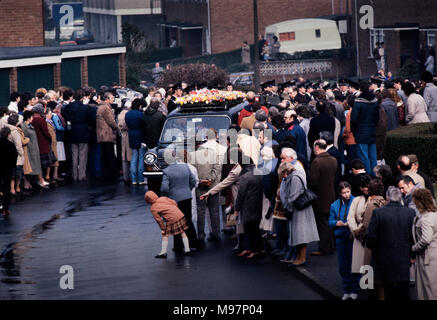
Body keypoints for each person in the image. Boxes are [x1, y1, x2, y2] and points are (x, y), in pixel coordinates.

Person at [366, 186, 416, 300]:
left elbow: (371, 236)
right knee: (404, 289)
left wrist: (375, 251)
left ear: (387, 197)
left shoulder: (378, 212)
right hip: (404, 257)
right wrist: (412, 255)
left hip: (384, 257)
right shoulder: (410, 212)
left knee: (389, 290)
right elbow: (413, 236)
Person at [280, 159, 319, 266]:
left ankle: (301, 259)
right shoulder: (295, 176)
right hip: (300, 210)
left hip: (299, 211)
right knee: (299, 235)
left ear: (286, 172)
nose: (282, 177)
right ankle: (299, 258)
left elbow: (293, 196)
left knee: (301, 235)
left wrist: (287, 208)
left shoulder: (295, 178)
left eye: (282, 174)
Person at [161, 148, 200, 252]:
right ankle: (194, 243)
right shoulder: (185, 167)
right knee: (188, 220)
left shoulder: (166, 171)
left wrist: (166, 196)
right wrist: (188, 190)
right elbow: (192, 181)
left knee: (176, 221)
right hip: (187, 196)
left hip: (174, 199)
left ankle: (178, 245)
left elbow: (165, 188)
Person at [329, 182, 360, 300]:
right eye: (344, 193)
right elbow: (330, 221)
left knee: (354, 264)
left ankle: (355, 289)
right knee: (343, 265)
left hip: (353, 237)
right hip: (341, 237)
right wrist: (337, 223)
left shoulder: (356, 201)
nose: (347, 195)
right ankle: (347, 289)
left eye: (348, 192)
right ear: (340, 193)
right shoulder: (334, 205)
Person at [309, 139, 337, 256]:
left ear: (316, 147)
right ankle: (330, 246)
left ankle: (324, 248)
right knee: (329, 222)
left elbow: (313, 182)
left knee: (322, 224)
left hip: (320, 197)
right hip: (331, 195)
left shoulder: (317, 162)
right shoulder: (333, 160)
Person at [234, 151, 264, 259]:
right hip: (258, 202)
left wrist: (237, 207)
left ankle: (253, 250)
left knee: (249, 228)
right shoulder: (259, 172)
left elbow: (240, 194)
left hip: (248, 205)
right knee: (255, 227)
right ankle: (259, 248)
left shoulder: (245, 176)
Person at [145, 191, 191, 258]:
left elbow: (159, 220)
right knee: (182, 232)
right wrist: (175, 210)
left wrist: (163, 228)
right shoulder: (163, 198)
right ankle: (187, 250)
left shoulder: (153, 208)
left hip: (172, 219)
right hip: (179, 215)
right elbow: (174, 202)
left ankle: (163, 252)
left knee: (164, 234)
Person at [411, 188, 437, 300]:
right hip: (431, 256)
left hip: (427, 257)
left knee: (428, 289)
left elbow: (426, 239)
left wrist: (414, 248)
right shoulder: (433, 215)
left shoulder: (426, 218)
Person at [61, 88, 91, 182]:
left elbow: (64, 114)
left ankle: (75, 175)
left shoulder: (69, 107)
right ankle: (81, 175)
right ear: (82, 97)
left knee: (74, 155)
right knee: (83, 155)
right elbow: (90, 120)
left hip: (72, 131)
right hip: (83, 132)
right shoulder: (86, 108)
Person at [350, 82, 379, 175]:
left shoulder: (358, 102)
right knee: (373, 157)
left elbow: (354, 119)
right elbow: (377, 118)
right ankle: (375, 176)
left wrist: (354, 131)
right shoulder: (375, 101)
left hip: (361, 132)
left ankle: (368, 177)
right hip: (372, 131)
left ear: (360, 89)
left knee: (364, 157)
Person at [347, 173, 371, 274]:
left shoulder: (375, 199)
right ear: (361, 188)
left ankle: (369, 287)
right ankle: (362, 287)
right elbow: (350, 217)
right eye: (365, 186)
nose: (367, 188)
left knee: (369, 264)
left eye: (369, 185)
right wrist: (355, 230)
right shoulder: (357, 200)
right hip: (359, 234)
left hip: (371, 234)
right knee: (360, 264)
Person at [96, 92, 120, 182]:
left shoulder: (100, 107)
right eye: (112, 98)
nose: (113, 99)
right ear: (107, 99)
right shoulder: (106, 107)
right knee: (110, 155)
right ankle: (111, 175)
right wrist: (117, 128)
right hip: (107, 135)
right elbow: (111, 121)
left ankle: (106, 174)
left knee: (105, 156)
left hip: (101, 135)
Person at [125, 98, 146, 185]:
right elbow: (144, 124)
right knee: (141, 158)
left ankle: (134, 179)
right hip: (140, 135)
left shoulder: (128, 114)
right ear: (139, 105)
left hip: (131, 135)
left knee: (134, 158)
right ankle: (141, 179)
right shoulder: (141, 114)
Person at [0, 127, 18, 216]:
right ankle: (5, 209)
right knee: (6, 188)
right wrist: (13, 166)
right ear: (8, 134)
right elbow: (14, 157)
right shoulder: (10, 144)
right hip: (7, 168)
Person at [117, 99, 132, 183]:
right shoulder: (126, 114)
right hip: (127, 135)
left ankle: (126, 176)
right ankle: (128, 175)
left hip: (123, 136)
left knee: (124, 156)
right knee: (129, 156)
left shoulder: (120, 114)